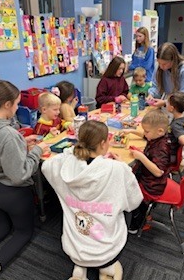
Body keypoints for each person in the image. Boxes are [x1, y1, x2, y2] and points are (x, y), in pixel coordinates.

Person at [41, 120, 143, 280]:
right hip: (106, 250)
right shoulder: (117, 169)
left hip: (75, 246)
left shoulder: (65, 165)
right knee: (124, 215)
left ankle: (79, 271)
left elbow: (46, 167)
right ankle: (106, 269)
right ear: (103, 143)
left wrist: (69, 153)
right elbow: (134, 201)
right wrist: (121, 167)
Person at [0, 80, 49, 280]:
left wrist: (21, 142)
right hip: (12, 194)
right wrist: (37, 151)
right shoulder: (8, 135)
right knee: (22, 233)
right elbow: (20, 174)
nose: (19, 107)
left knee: (2, 227)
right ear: (7, 105)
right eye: (17, 103)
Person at [128, 109, 171, 234]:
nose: (145, 134)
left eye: (147, 131)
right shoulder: (159, 137)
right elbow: (147, 137)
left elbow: (158, 172)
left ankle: (136, 225)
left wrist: (141, 156)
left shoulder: (161, 148)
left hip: (152, 185)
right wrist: (131, 131)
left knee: (128, 190)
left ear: (160, 131)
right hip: (149, 178)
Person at [147, 42, 184, 128]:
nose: (161, 66)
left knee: (180, 126)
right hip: (170, 96)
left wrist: (165, 102)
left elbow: (183, 95)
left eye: (164, 64)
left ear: (173, 60)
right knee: (166, 124)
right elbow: (156, 86)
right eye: (159, 63)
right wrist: (151, 95)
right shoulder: (159, 67)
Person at [166, 92, 184, 166]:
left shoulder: (176, 125)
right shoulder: (181, 118)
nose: (166, 104)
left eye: (167, 103)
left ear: (172, 108)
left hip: (170, 155)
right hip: (172, 151)